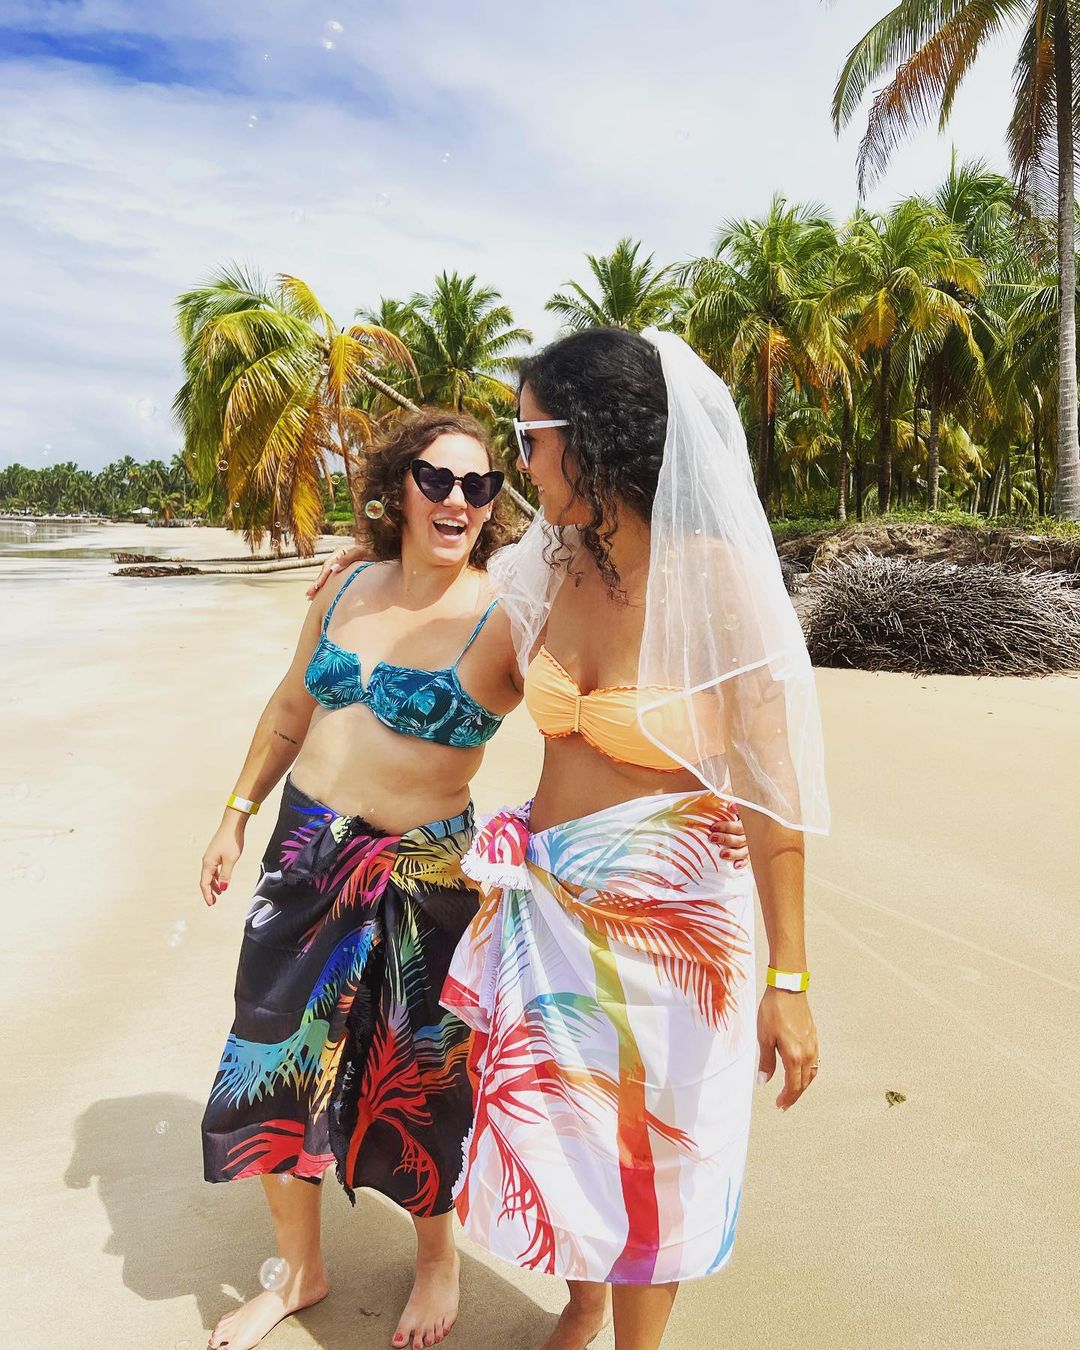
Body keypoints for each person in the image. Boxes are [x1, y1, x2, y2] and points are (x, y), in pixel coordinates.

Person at [442, 327, 827, 1350]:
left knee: (654, 1154)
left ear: (597, 438)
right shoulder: (550, 559)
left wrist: (789, 981)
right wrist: (369, 583)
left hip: (671, 932)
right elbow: (466, 669)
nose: (520, 465)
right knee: (559, 1134)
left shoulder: (720, 582)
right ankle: (582, 1306)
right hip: (547, 916)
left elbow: (775, 794)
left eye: (530, 439)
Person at [198, 410, 521, 1350]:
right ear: (397, 488)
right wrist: (235, 813)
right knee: (271, 1049)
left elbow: (595, 699)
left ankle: (436, 1259)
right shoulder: (344, 587)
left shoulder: (509, 616)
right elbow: (289, 708)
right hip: (306, 853)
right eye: (437, 479)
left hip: (428, 871)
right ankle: (299, 1270)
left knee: (422, 1071)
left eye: (479, 485)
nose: (458, 499)